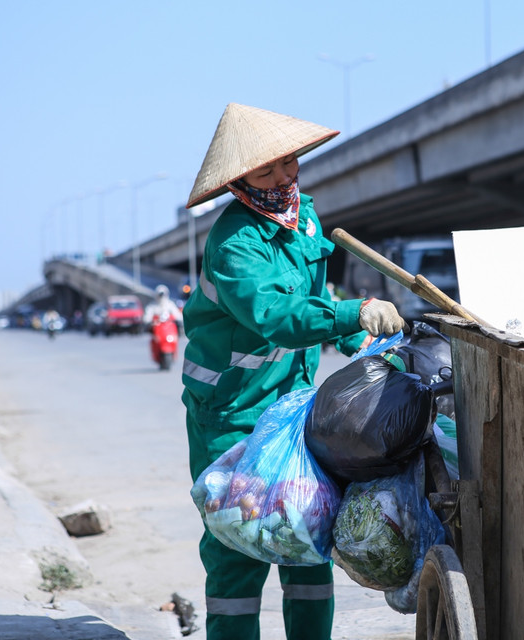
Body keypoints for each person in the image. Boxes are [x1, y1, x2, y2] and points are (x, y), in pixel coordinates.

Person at [181, 103, 406, 640]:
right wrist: (353, 310)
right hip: (231, 411)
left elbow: (312, 297)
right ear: (239, 181)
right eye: (266, 171)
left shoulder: (303, 217)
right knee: (239, 540)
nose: (283, 177)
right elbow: (276, 315)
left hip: (294, 405)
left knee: (306, 535)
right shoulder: (234, 241)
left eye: (288, 162)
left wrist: (361, 337)